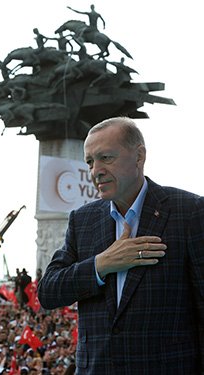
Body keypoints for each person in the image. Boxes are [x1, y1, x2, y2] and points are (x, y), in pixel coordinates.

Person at [37, 117, 204, 374]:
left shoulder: (189, 211)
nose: (96, 171)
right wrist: (101, 265)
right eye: (90, 162)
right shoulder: (83, 220)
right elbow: (48, 291)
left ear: (139, 156)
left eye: (106, 158)